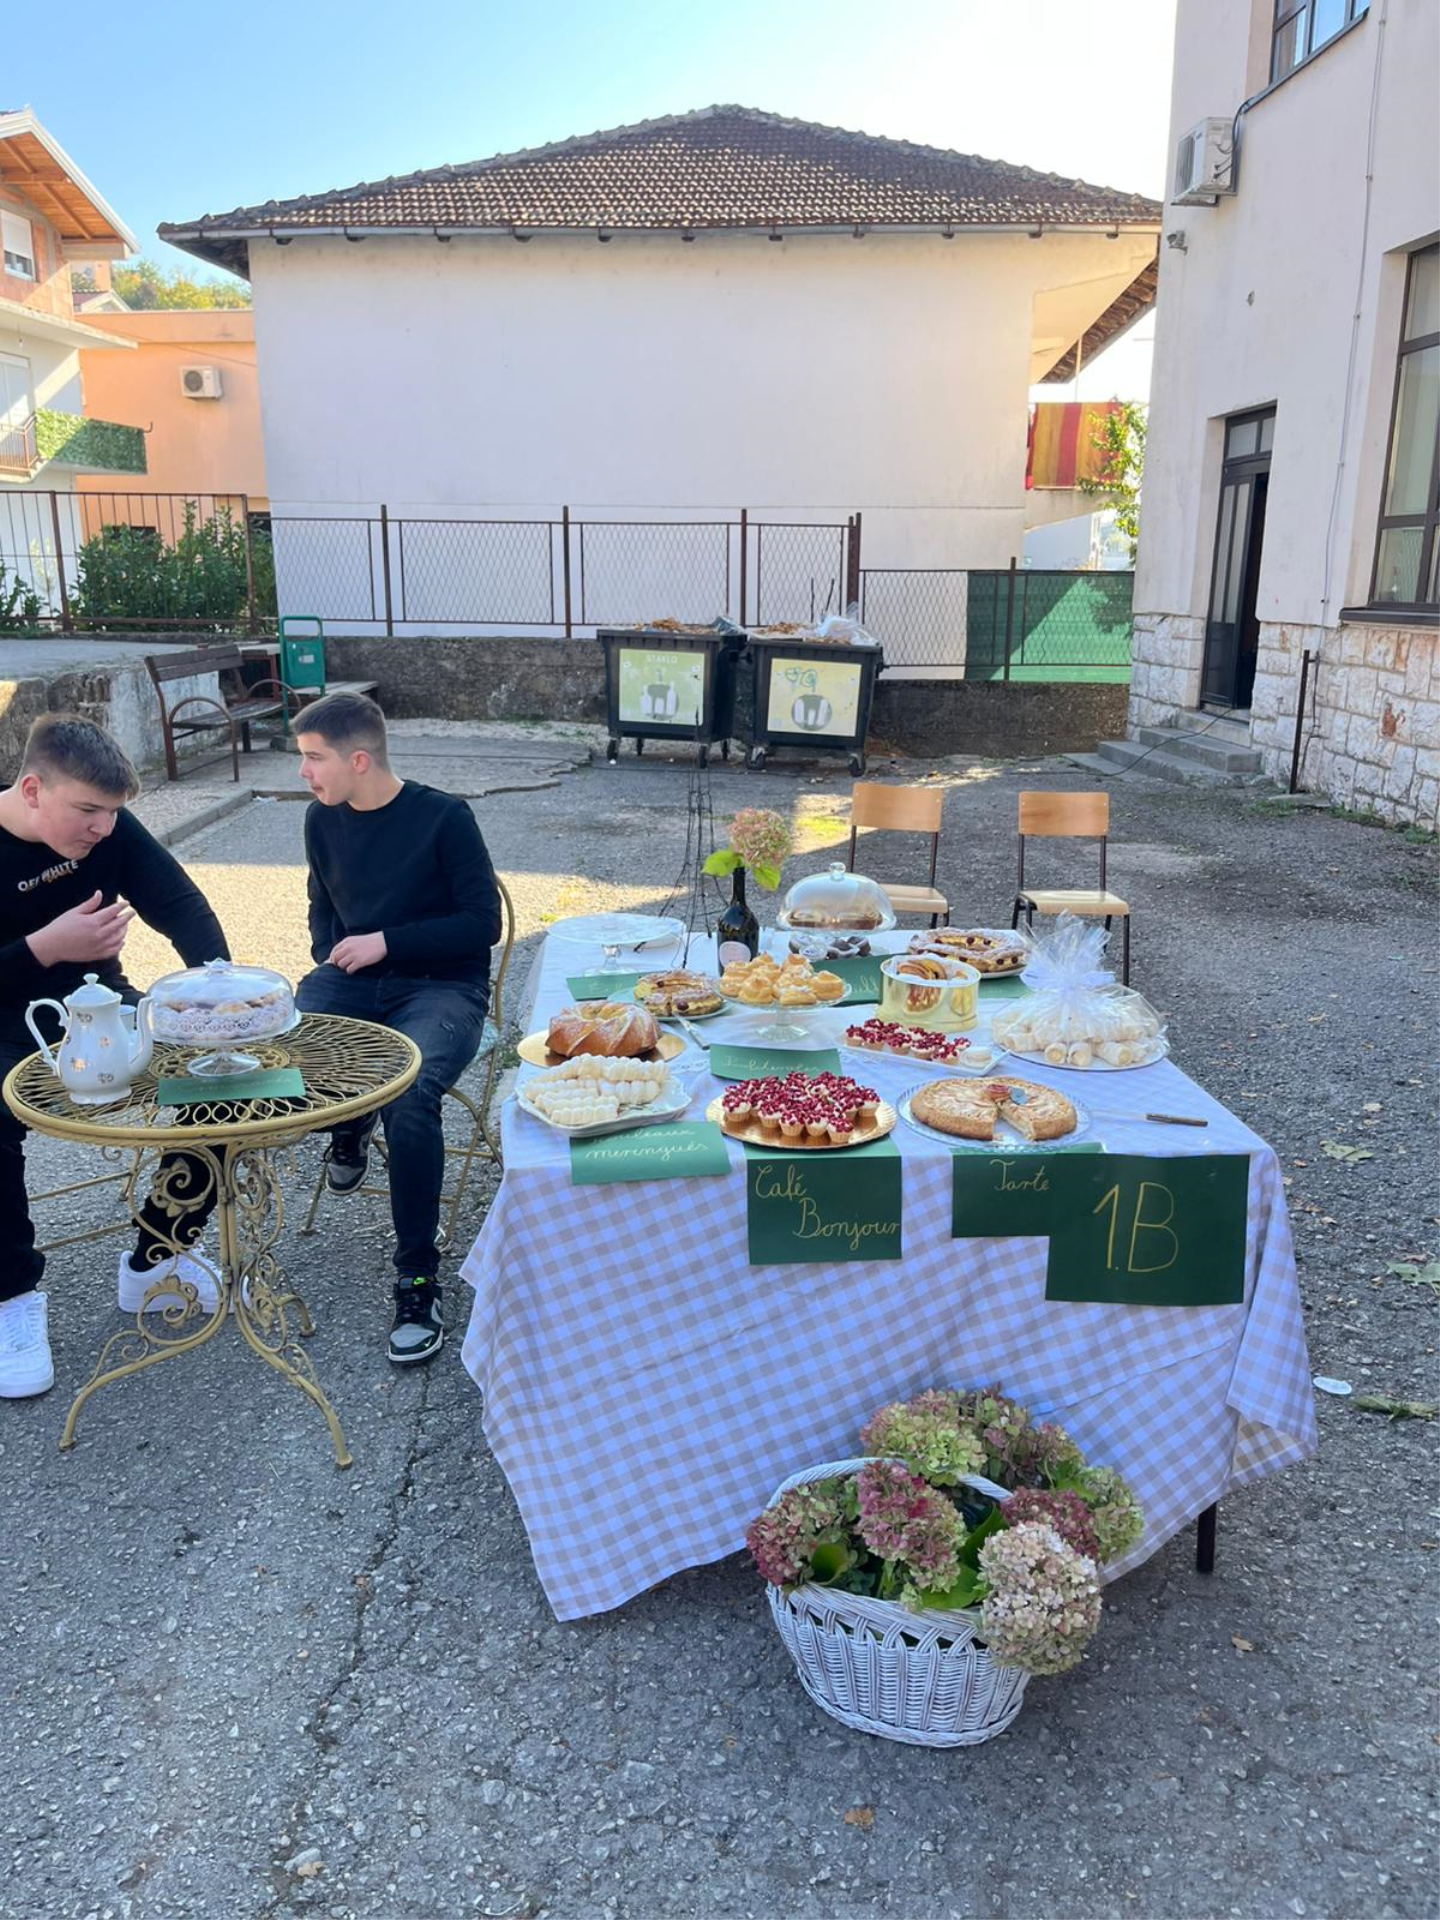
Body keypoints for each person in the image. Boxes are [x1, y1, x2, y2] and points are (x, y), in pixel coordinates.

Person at [0, 715, 230, 1400]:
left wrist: (220, 991)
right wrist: (45, 948)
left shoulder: (109, 827)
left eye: (112, 813)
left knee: (225, 1081)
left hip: (101, 1010)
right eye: (87, 812)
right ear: (33, 789)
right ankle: (11, 1299)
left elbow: (180, 905)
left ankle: (159, 1254)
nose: (102, 829)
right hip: (4, 1021)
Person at [294, 692, 499, 1365]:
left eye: (313, 757)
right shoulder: (320, 819)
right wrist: (331, 957)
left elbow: (482, 924)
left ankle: (417, 1280)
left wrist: (388, 941)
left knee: (408, 1095)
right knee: (283, 1052)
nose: (304, 772)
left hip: (442, 986)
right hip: (354, 980)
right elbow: (322, 912)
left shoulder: (444, 817)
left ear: (359, 760)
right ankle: (350, 1121)